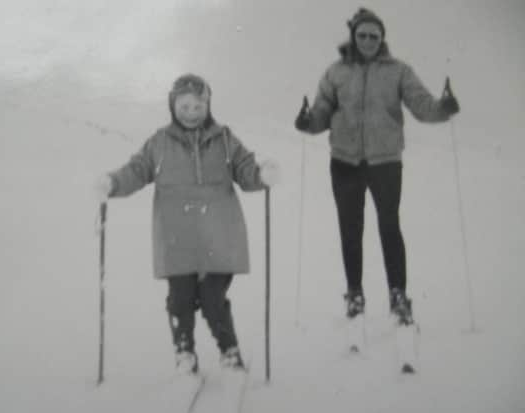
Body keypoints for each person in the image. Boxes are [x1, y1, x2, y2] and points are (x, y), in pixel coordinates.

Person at [96, 73, 279, 374]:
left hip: (218, 235)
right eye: (184, 107)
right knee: (180, 299)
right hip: (176, 237)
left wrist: (262, 175)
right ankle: (184, 352)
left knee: (212, 298)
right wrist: (112, 183)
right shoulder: (160, 142)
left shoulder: (224, 139)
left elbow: (246, 169)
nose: (191, 114)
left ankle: (229, 351)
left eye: (198, 107)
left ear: (208, 106)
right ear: (173, 106)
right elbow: (137, 170)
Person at [294, 8, 460, 325]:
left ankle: (398, 294)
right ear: (353, 37)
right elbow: (322, 112)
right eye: (362, 35)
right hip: (344, 161)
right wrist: (307, 121)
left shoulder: (398, 71)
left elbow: (422, 105)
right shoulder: (336, 72)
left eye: (374, 35)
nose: (368, 40)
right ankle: (354, 293)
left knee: (389, 227)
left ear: (382, 38)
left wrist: (443, 108)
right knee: (350, 229)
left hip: (385, 162)